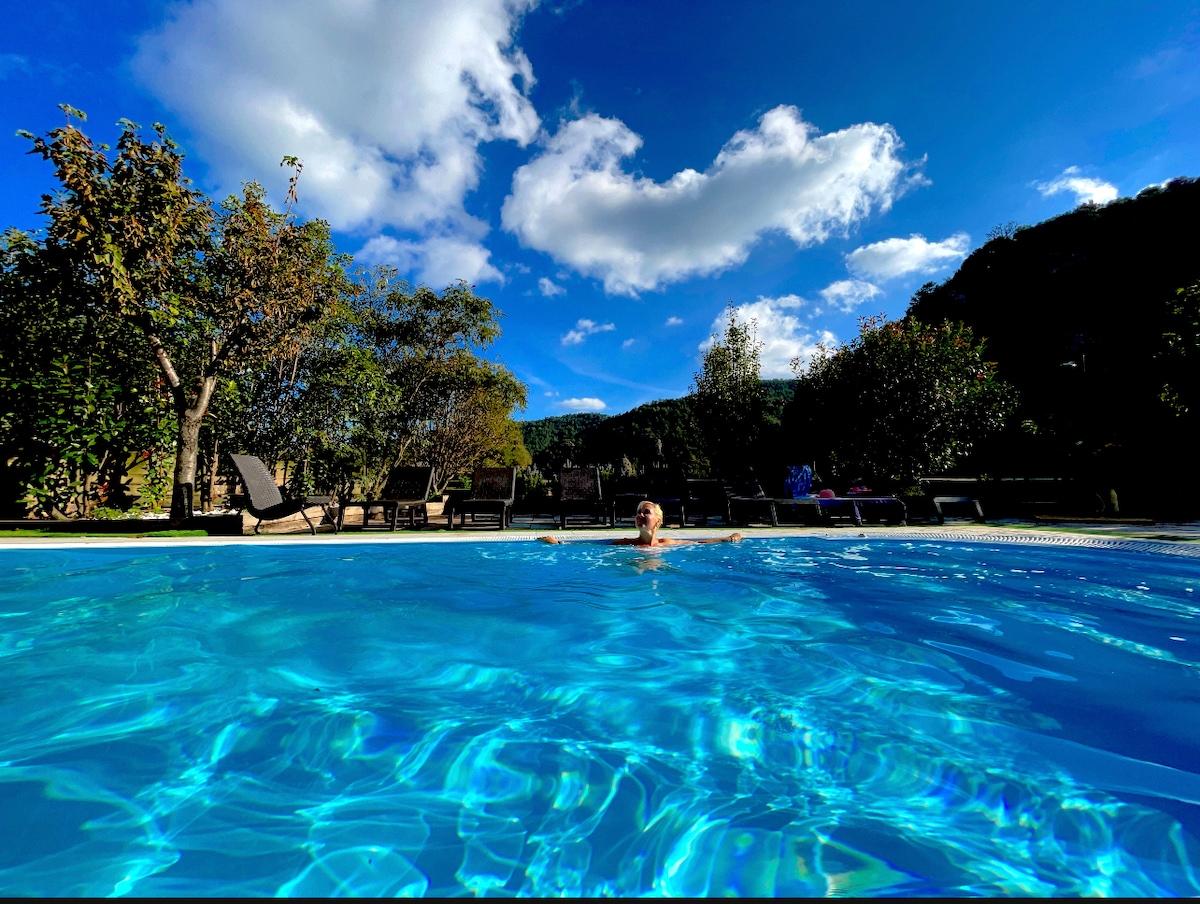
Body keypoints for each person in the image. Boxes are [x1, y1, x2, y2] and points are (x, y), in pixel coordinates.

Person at [541, 500, 743, 547]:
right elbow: (592, 545)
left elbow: (697, 544)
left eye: (646, 512)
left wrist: (728, 538)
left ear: (658, 521)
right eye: (638, 512)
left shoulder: (666, 543)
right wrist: (558, 543)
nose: (640, 515)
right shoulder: (626, 543)